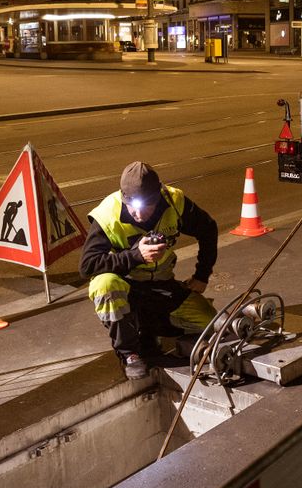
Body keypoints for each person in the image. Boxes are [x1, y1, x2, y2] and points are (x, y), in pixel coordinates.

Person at [79, 162, 218, 379]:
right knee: (104, 284)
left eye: (146, 206)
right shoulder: (108, 214)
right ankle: (129, 353)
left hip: (162, 284)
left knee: (209, 321)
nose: (138, 213)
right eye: (132, 205)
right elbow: (88, 266)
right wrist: (136, 256)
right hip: (127, 286)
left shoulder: (174, 202)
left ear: (158, 197)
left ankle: (146, 327)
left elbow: (209, 229)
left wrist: (202, 275)